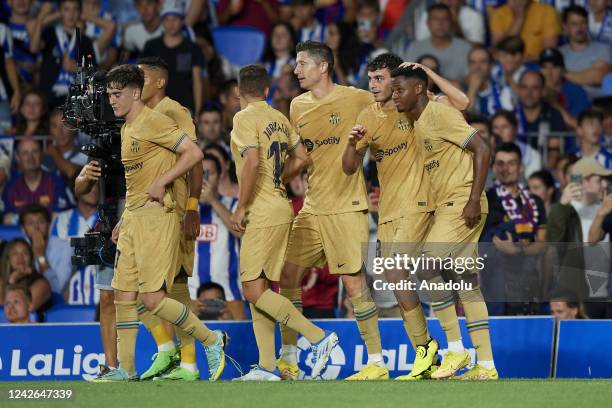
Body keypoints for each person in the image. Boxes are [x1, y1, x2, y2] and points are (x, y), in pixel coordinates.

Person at [342, 53, 470, 380]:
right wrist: (351, 144)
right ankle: (426, 348)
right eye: (370, 80)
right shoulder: (367, 116)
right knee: (400, 278)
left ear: (399, 81)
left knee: (404, 271)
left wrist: (426, 71)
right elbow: (349, 167)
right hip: (389, 210)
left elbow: (462, 102)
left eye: (380, 79)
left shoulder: (419, 102)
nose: (373, 86)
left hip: (422, 202)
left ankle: (451, 346)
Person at [94, 64, 224, 382]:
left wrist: (164, 182)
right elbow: (134, 183)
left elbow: (193, 154)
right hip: (135, 219)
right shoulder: (126, 128)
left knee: (153, 299)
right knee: (124, 294)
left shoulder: (155, 121)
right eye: (109, 95)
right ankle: (125, 370)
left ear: (135, 93)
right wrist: (123, 219)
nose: (112, 100)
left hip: (157, 218)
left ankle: (212, 340)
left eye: (117, 94)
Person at [277, 41, 385, 381]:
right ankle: (289, 359)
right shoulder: (296, 106)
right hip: (312, 206)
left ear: (323, 67)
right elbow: (302, 157)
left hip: (347, 207)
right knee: (287, 277)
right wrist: (279, 179)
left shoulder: (357, 98)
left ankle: (377, 362)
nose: (296, 70)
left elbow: (389, 108)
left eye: (302, 64)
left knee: (354, 283)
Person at [229, 64, 338, 381]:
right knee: (260, 287)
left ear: (238, 91)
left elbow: (250, 162)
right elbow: (302, 156)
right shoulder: (278, 118)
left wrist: (241, 205)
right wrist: (279, 178)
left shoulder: (243, 117)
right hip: (281, 204)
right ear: (266, 91)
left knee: (251, 288)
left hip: (261, 210)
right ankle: (266, 367)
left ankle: (317, 338)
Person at [391, 65, 496, 380]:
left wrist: (474, 198)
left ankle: (454, 349)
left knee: (426, 266)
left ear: (419, 89)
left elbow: (483, 149)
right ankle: (487, 366)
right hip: (452, 205)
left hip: (461, 203)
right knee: (467, 286)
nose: (395, 95)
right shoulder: (422, 122)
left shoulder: (440, 114)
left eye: (400, 89)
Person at [125, 56, 203, 382]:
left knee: (179, 285)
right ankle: (170, 350)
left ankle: (187, 362)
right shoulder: (137, 118)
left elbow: (195, 159)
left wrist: (194, 206)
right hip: (146, 215)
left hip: (175, 211)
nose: (134, 85)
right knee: (137, 288)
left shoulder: (174, 111)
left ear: (159, 82)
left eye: (140, 78)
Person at [482, 143, 548, 316]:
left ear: (521, 167)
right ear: (493, 168)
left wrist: (516, 249)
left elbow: (542, 244)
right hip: (492, 278)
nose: (506, 168)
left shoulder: (535, 202)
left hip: (526, 278)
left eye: (511, 163)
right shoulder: (483, 200)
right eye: (501, 163)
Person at [547, 158, 611, 318]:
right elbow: (555, 242)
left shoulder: (606, 208)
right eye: (600, 179)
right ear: (585, 180)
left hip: (605, 293)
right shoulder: (565, 211)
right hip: (578, 294)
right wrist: (561, 207)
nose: (605, 184)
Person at [191, 153, 244, 319]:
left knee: (237, 342)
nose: (205, 178)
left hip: (230, 291)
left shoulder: (234, 204)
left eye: (210, 173)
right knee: (189, 343)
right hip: (192, 293)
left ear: (220, 175)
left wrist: (213, 201)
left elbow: (240, 231)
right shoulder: (184, 209)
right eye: (201, 173)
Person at [142, 2, 204, 114]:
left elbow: (197, 82)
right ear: (162, 21)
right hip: (156, 106)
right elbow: (143, 78)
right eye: (167, 19)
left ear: (182, 21)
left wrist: (198, 112)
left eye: (175, 18)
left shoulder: (192, 48)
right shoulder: (151, 46)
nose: (171, 24)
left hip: (185, 107)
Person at [35, 0, 96, 108]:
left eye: (75, 9)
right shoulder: (50, 34)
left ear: (80, 13)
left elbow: (94, 73)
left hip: (76, 99)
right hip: (49, 98)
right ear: (59, 12)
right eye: (66, 9)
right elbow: (34, 48)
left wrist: (78, 69)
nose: (71, 14)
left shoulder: (85, 41)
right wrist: (40, 19)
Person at [2, 138, 75, 225]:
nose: (30, 157)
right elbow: (7, 219)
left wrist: (22, 220)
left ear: (41, 154)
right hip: (20, 237)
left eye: (35, 151)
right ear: (17, 157)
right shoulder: (11, 187)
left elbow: (62, 217)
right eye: (25, 153)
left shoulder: (57, 182)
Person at [402, 4, 471, 82]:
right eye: (435, 19)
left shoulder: (465, 48)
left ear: (451, 23)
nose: (440, 23)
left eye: (445, 19)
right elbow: (407, 78)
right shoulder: (414, 48)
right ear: (428, 23)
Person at [560, 6, 612, 98]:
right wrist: (588, 74)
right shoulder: (559, 53)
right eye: (574, 24)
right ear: (565, 27)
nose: (580, 28)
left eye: (583, 23)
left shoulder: (604, 49)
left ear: (588, 24)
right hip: (570, 105)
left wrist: (562, 72)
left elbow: (598, 77)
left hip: (598, 106)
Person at [490, 0, 560, 61]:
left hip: (536, 64)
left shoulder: (547, 11)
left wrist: (524, 60)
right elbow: (497, 51)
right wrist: (519, 19)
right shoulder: (499, 14)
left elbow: (549, 52)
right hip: (507, 64)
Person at [539, 48, 591, 130]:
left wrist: (553, 103)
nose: (549, 73)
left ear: (563, 70)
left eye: (554, 67)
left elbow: (580, 127)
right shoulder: (533, 90)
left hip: (570, 141)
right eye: (544, 67)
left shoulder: (576, 92)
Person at [0, 238, 51, 313]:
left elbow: (19, 312)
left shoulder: (42, 285)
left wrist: (12, 281)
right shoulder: (2, 281)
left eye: (25, 253)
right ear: (8, 258)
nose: (20, 257)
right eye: (15, 253)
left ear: (31, 258)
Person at [491, 109, 542, 178]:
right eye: (495, 127)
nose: (499, 132)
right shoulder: (486, 152)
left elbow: (532, 183)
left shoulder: (531, 154)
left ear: (515, 129)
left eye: (504, 127)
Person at [42, 109, 88, 182]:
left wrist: (54, 153)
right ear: (50, 130)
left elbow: (74, 174)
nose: (60, 132)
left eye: (65, 125)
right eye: (54, 126)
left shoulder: (85, 155)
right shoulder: (44, 157)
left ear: (73, 128)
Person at [466, 46, 513, 117]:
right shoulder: (460, 90)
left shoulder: (503, 90)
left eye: (483, 62)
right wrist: (472, 91)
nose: (477, 67)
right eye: (473, 62)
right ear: (468, 66)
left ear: (490, 66)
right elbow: (465, 121)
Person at [415, 0, 485, 45]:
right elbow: (421, 43)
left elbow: (477, 48)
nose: (449, 0)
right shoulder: (427, 14)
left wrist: (455, 24)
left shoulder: (473, 15)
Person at [0, 22, 21, 132]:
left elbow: (9, 62)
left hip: (1, 98)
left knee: (5, 140)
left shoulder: (2, 30)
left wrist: (16, 91)